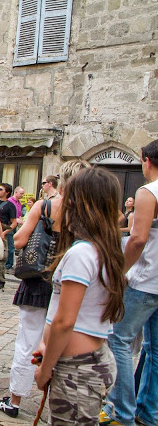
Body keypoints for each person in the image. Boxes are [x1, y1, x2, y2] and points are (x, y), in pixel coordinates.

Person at [0, 160, 89, 418]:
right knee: (66, 345)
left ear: (61, 180)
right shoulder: (90, 211)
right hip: (72, 281)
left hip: (39, 279)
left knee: (28, 341)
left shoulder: (46, 205)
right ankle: (57, 406)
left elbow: (19, 240)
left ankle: (15, 400)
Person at [34, 167, 125, 424]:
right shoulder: (104, 249)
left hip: (77, 368)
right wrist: (46, 345)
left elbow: (65, 321)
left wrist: (46, 368)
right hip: (87, 360)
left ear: (76, 203)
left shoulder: (82, 254)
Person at [101, 139, 158, 426]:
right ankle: (148, 413)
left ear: (147, 161)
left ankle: (120, 411)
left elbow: (137, 239)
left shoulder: (148, 192)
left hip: (146, 280)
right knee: (154, 350)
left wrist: (120, 272)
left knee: (119, 340)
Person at [0, 183, 17, 290]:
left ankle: (1, 279)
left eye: (1, 189)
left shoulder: (10, 206)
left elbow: (14, 222)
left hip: (3, 230)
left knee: (1, 258)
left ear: (7, 192)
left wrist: (4, 233)